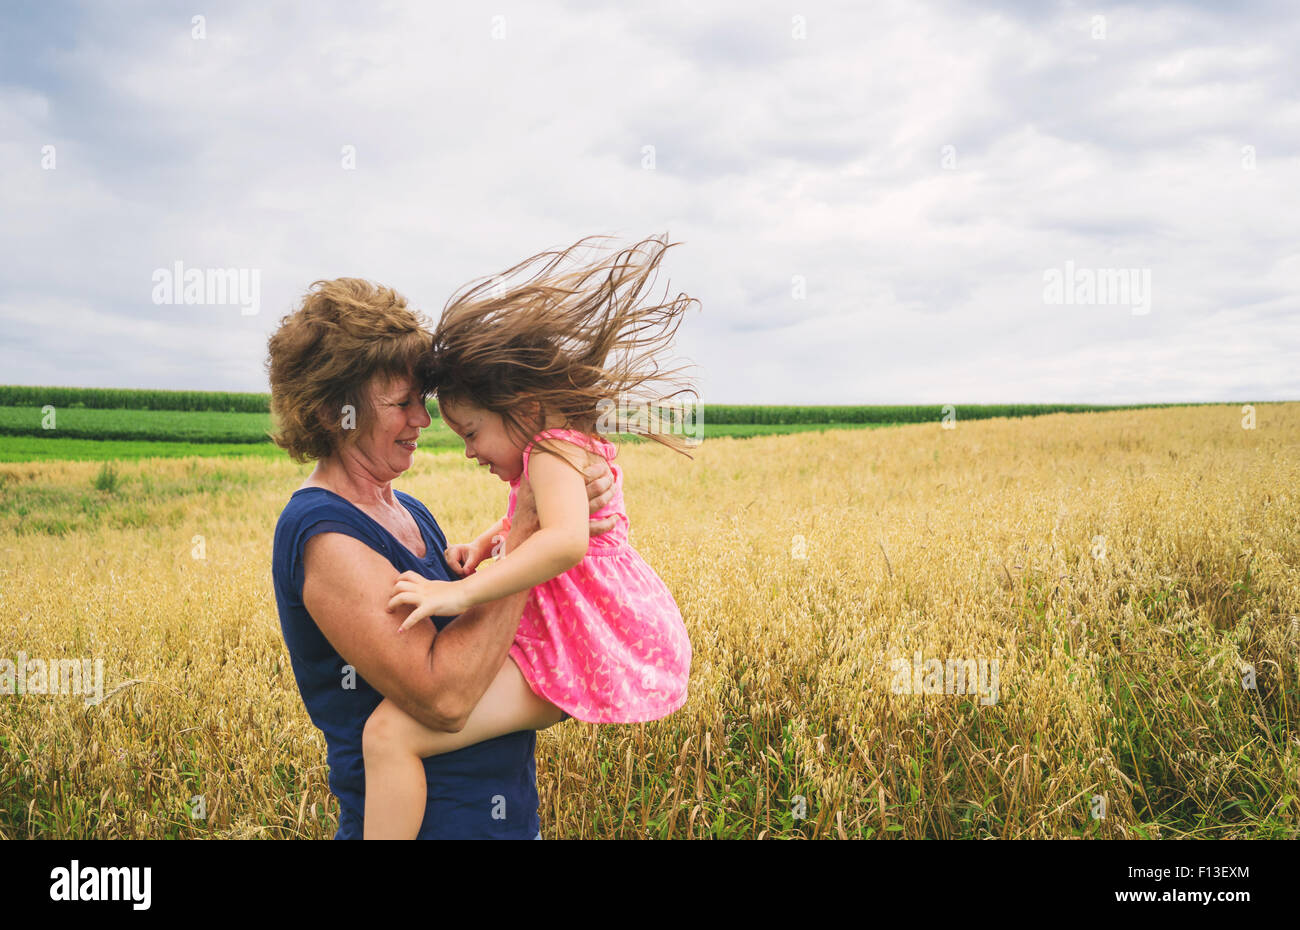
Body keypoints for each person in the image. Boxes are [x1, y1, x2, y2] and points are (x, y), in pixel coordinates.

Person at [361, 234, 698, 839]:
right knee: (389, 735)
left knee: (388, 736)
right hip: (572, 636)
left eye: (471, 433)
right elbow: (537, 519)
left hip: (581, 645)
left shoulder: (549, 446)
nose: (468, 452)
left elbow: (565, 541)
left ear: (523, 407)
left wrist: (464, 594)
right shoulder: (550, 445)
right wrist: (489, 541)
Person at [267, 277, 616, 839]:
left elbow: (490, 645)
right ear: (337, 415)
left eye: (420, 401)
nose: (422, 422)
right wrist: (530, 528)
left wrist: (558, 510)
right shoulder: (325, 535)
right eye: (401, 404)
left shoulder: (410, 513)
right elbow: (446, 698)